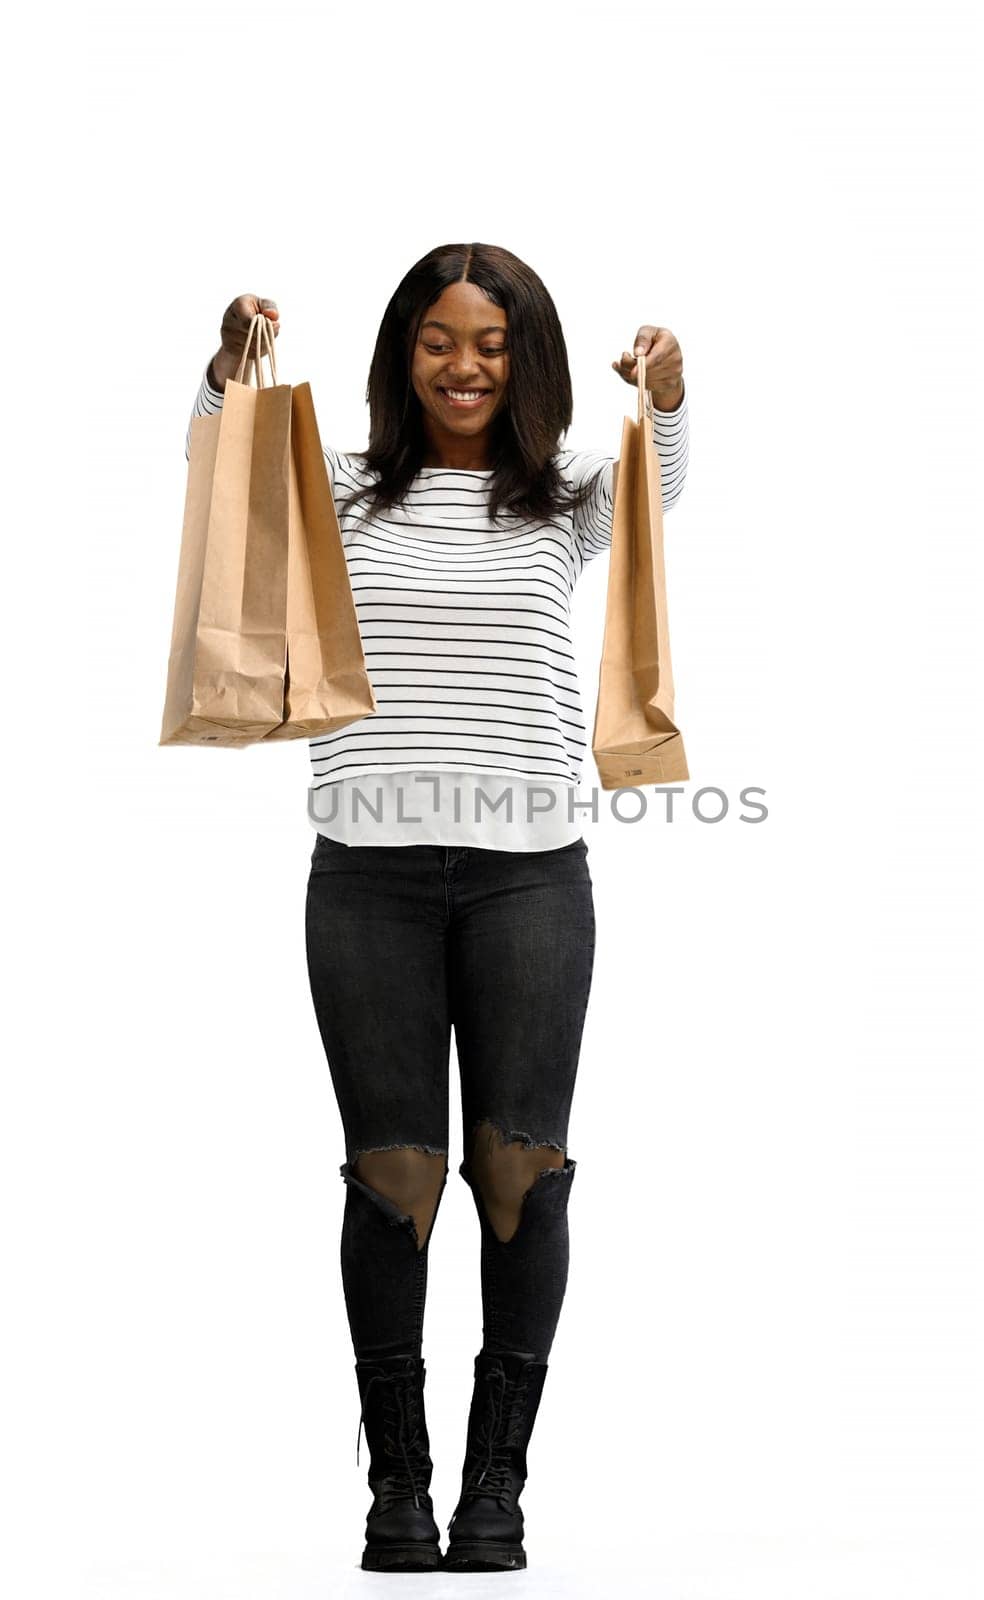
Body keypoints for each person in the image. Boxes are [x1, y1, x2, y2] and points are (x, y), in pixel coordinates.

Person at [185, 244, 689, 1573]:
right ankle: (397, 1487)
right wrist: (225, 372)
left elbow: (661, 493)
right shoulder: (342, 488)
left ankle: (497, 1486)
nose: (465, 366)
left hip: (532, 875)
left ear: (530, 361)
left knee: (520, 1170)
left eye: (495, 343)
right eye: (438, 340)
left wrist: (670, 397)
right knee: (393, 1179)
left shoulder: (564, 496)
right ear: (401, 354)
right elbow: (224, 490)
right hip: (368, 880)